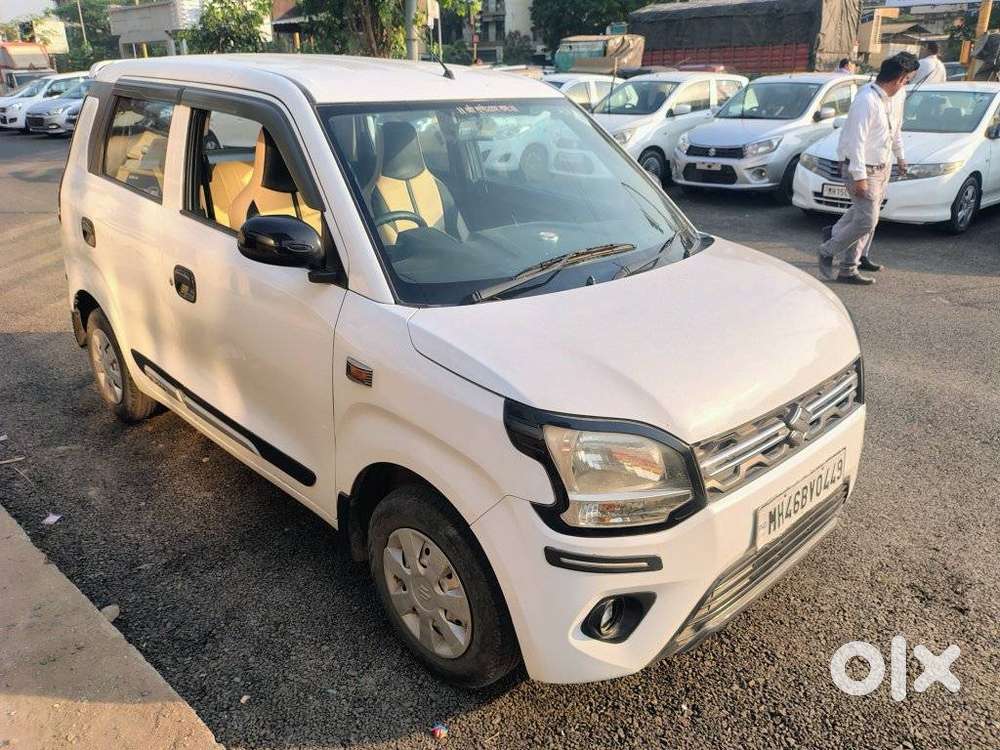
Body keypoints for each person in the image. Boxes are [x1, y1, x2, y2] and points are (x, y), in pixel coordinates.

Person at [818, 53, 919, 285]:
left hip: (882, 166)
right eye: (907, 80)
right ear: (899, 78)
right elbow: (856, 142)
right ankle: (828, 250)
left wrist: (900, 157)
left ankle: (850, 261)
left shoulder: (893, 98)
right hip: (863, 168)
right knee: (866, 220)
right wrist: (860, 177)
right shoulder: (867, 100)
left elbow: (895, 130)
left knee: (863, 215)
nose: (906, 85)